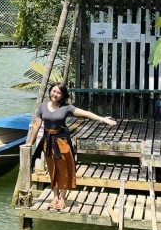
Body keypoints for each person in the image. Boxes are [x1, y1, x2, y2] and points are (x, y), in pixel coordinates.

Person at [27, 82, 117, 211]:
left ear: (62, 95)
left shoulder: (66, 107)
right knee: (52, 169)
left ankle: (63, 199)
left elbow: (84, 113)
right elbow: (36, 125)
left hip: (62, 141)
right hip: (48, 141)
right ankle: (55, 197)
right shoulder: (42, 107)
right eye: (54, 91)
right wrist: (30, 142)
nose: (55, 94)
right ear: (50, 91)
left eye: (59, 92)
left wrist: (102, 119)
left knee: (63, 169)